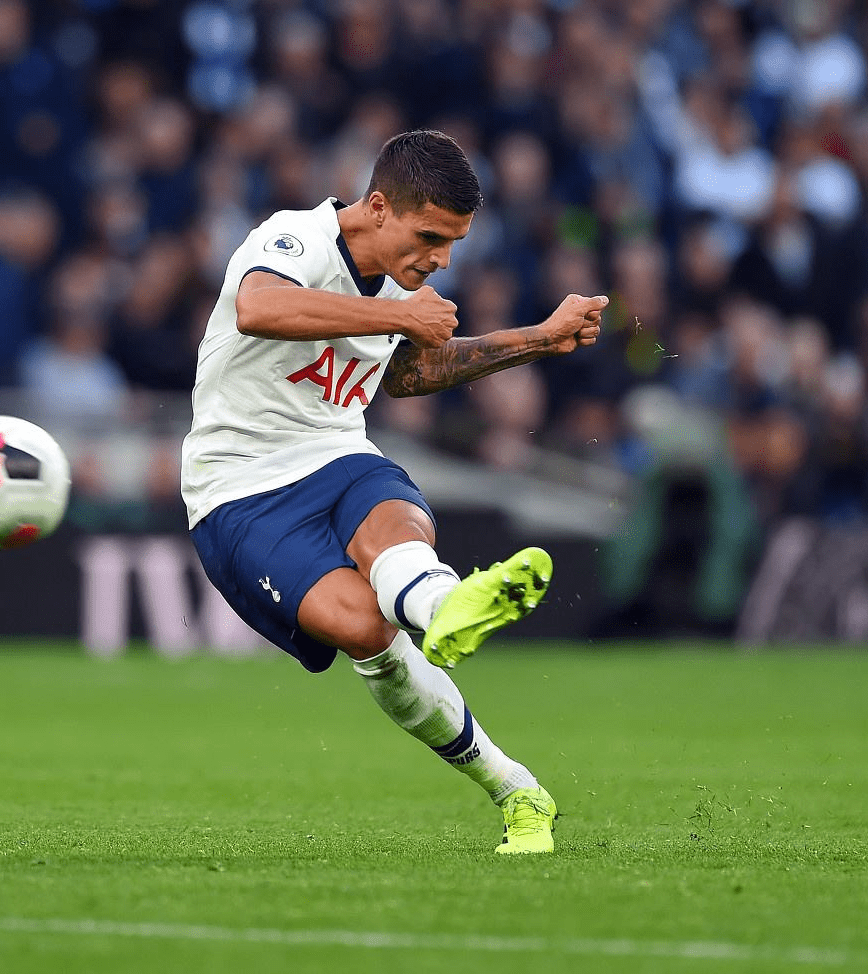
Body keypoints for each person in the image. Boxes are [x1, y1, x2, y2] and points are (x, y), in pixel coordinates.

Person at [181, 130, 606, 854]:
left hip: (337, 453)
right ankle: (505, 772)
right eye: (430, 237)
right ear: (378, 206)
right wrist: (400, 314)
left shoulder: (399, 285)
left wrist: (538, 338)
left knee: (394, 526)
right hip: (238, 486)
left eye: (453, 243)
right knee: (365, 631)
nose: (441, 259)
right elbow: (260, 307)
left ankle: (450, 619)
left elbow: (406, 374)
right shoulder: (295, 238)